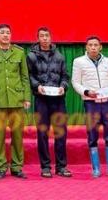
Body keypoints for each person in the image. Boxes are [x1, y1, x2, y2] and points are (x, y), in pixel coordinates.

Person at [71, 36, 108, 178]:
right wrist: (86, 92)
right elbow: (75, 82)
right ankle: (96, 169)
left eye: (96, 45)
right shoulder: (79, 62)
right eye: (90, 45)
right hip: (91, 103)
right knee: (92, 135)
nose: (93, 47)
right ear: (86, 47)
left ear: (101, 47)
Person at [0, 24, 31, 179]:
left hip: (16, 99)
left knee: (17, 135)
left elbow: (24, 76)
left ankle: (17, 167)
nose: (5, 35)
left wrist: (26, 97)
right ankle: (1, 166)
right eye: (2, 33)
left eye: (8, 33)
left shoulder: (19, 52)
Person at [26, 26, 71, 178]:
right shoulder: (31, 56)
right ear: (38, 38)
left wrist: (63, 86)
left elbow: (65, 76)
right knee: (42, 133)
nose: (44, 38)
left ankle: (61, 166)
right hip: (41, 99)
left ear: (51, 38)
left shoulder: (59, 56)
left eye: (47, 36)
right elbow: (29, 76)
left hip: (58, 99)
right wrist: (36, 86)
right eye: (42, 36)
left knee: (61, 132)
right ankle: (45, 167)